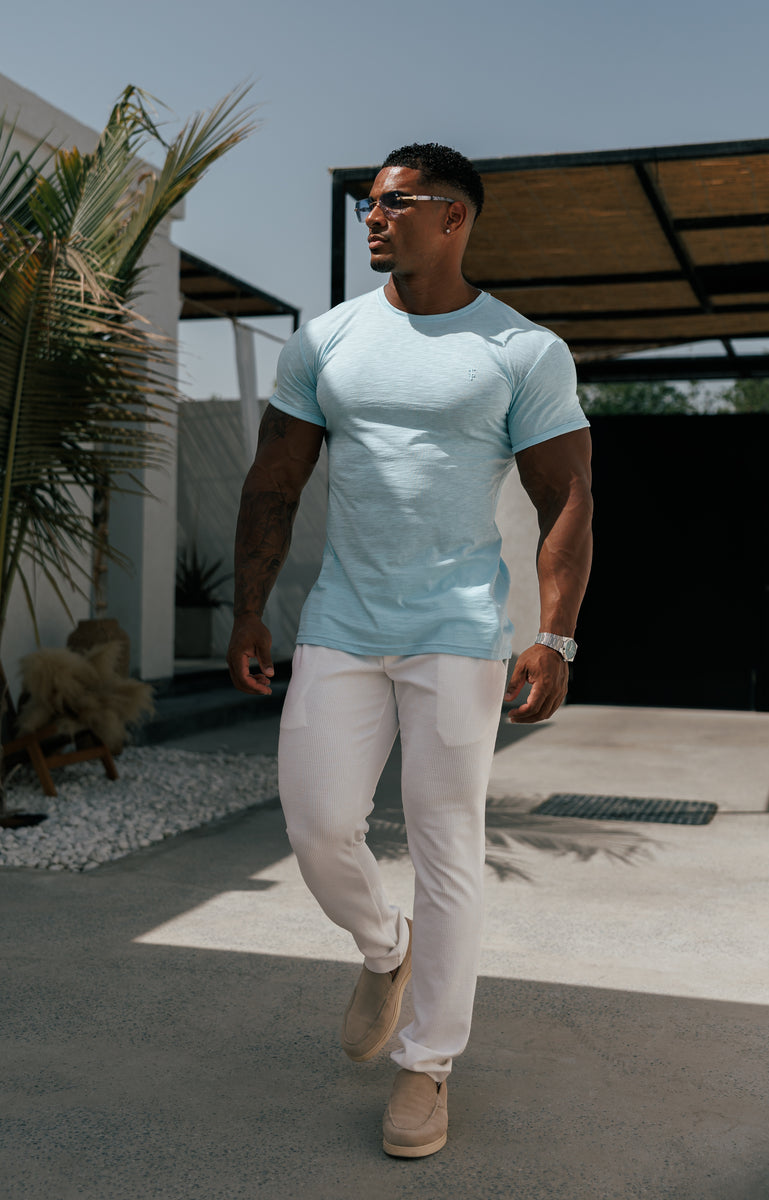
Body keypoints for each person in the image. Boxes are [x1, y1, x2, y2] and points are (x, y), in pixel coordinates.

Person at [227, 142, 593, 1159]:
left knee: (445, 848)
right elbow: (274, 477)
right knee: (316, 825)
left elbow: (564, 493)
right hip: (341, 623)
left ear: (453, 217)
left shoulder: (521, 350)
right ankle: (385, 948)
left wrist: (553, 633)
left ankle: (427, 1066)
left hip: (457, 633)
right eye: (367, 205)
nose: (375, 219)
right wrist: (248, 608)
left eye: (395, 203)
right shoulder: (328, 339)